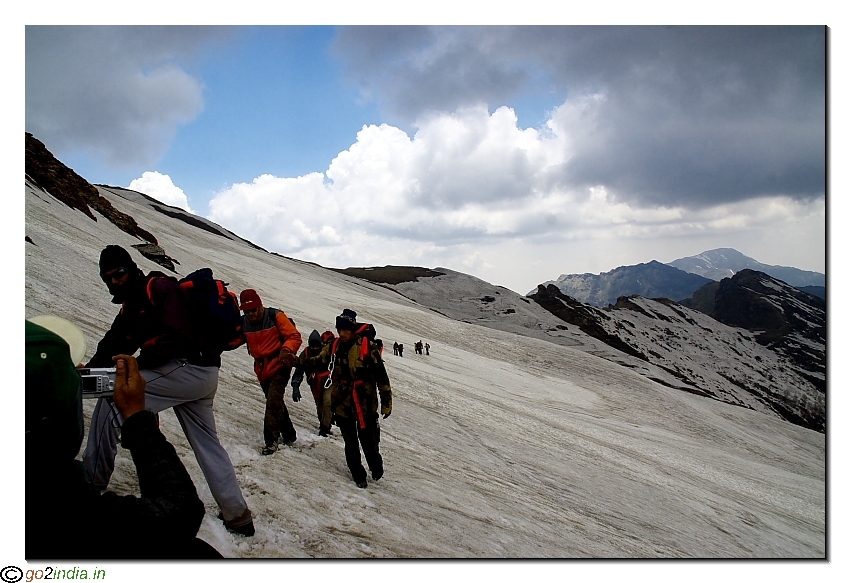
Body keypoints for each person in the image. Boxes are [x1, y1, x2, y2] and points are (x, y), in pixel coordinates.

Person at [82, 245, 255, 536]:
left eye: (119, 273)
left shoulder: (159, 287)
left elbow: (179, 337)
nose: (115, 281)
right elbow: (116, 342)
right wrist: (90, 370)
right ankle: (238, 517)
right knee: (207, 444)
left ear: (131, 268)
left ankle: (90, 488)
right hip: (200, 374)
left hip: (187, 367)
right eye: (108, 278)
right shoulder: (133, 303)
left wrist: (136, 366)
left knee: (116, 400)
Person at [26, 318, 221, 559]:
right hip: (202, 372)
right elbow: (179, 515)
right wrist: (137, 417)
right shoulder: (56, 505)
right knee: (197, 555)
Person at [298, 309, 392, 488]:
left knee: (369, 442)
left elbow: (381, 376)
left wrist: (386, 403)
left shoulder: (366, 348)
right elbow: (318, 361)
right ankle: (358, 475)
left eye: (346, 330)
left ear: (353, 329)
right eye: (339, 330)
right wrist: (297, 361)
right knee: (350, 442)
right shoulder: (333, 346)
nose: (342, 333)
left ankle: (375, 466)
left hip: (365, 403)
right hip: (342, 402)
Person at [236, 288, 302, 455]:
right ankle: (289, 435)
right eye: (247, 311)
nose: (250, 314)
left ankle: (271, 441)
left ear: (260, 305)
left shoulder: (275, 316)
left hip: (280, 363)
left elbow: (294, 336)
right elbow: (234, 340)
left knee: (273, 400)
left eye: (253, 309)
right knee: (275, 401)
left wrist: (286, 351)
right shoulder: (243, 323)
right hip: (261, 368)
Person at [291, 329, 334, 436]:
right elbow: (298, 372)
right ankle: (324, 423)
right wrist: (295, 387)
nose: (315, 348)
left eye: (317, 345)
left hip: (328, 382)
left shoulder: (326, 352)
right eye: (313, 346)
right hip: (315, 384)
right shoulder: (304, 355)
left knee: (327, 402)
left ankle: (325, 428)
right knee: (320, 408)